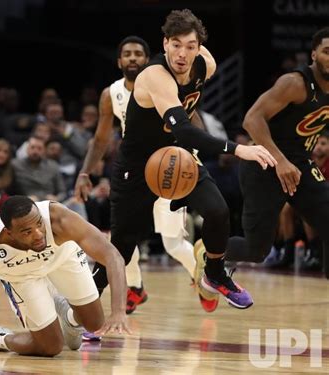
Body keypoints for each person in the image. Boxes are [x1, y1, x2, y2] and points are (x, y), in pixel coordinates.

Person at [90, 9, 277, 311]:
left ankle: (214, 275)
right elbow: (187, 132)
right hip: (138, 167)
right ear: (164, 44)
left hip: (176, 159)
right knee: (123, 248)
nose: (182, 53)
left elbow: (185, 139)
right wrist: (238, 149)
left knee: (218, 212)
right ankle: (81, 302)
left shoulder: (206, 65)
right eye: (175, 44)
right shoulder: (154, 76)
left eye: (190, 46)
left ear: (199, 48)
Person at [75, 35, 201, 314]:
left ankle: (201, 278)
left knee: (172, 244)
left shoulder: (166, 82)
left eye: (138, 54)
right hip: (134, 171)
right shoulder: (111, 94)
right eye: (127, 54)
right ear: (119, 61)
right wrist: (85, 171)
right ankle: (135, 288)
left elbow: (192, 118)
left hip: (167, 168)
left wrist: (196, 154)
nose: (133, 58)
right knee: (123, 237)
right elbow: (100, 139)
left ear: (148, 59)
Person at [0, 195, 130, 358]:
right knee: (51, 347)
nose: (38, 234)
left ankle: (69, 317)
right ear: (9, 233)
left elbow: (113, 257)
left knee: (94, 323)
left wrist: (119, 311)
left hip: (62, 258)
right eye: (27, 231)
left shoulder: (60, 219)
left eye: (38, 224)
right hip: (21, 274)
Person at [223, 27, 329, 279]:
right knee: (256, 249)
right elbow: (251, 120)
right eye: (327, 51)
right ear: (314, 55)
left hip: (299, 164)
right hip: (264, 162)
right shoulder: (294, 83)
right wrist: (280, 161)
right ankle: (211, 249)